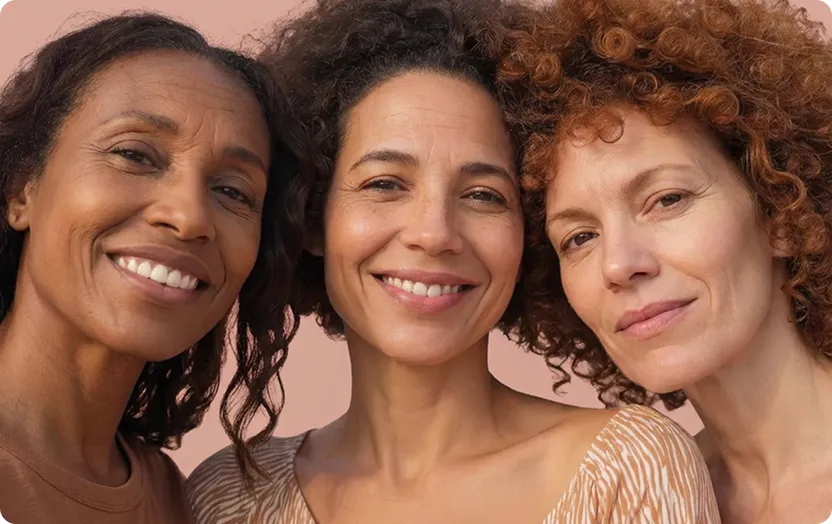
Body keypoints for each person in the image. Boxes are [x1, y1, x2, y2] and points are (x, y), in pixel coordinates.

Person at [186, 0, 721, 522]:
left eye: (483, 195)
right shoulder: (231, 497)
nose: (434, 233)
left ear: (528, 232)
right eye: (385, 184)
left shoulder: (630, 469)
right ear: (314, 216)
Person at [493, 0, 832, 521]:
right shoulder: (638, 502)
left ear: (782, 212)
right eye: (580, 237)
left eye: (667, 199)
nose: (618, 264)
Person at [0, 13, 307, 523]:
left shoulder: (192, 506)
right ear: (22, 188)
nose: (188, 218)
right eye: (135, 155)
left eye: (233, 191)